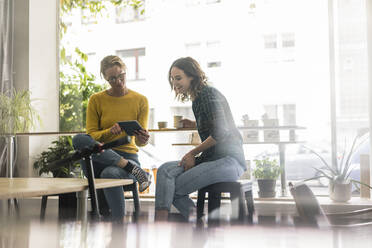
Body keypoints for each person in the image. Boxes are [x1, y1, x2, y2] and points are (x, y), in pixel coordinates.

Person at [155, 57, 246, 221]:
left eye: (178, 78)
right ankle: (191, 221)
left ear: (192, 76)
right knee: (164, 170)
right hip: (212, 159)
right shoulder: (198, 98)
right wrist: (195, 123)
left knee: (172, 189)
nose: (174, 83)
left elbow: (221, 132)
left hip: (229, 160)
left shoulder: (207, 94)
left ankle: (181, 222)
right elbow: (215, 121)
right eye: (172, 79)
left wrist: (192, 153)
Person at [72, 55, 151, 221]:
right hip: (100, 157)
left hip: (128, 156)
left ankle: (118, 225)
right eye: (112, 78)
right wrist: (109, 132)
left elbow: (138, 143)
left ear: (125, 72)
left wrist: (143, 139)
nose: (118, 81)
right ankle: (134, 170)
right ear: (105, 78)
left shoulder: (141, 100)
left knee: (110, 173)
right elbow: (91, 135)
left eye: (121, 75)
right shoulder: (96, 99)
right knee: (79, 139)